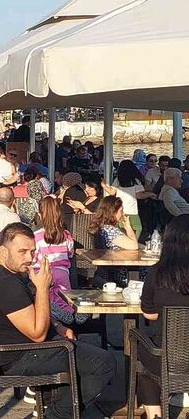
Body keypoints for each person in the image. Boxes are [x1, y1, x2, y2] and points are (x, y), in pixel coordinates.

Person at [0, 223, 116, 418]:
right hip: (17, 355)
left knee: (75, 347)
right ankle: (57, 414)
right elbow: (37, 334)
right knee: (104, 362)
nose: (29, 258)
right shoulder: (5, 284)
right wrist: (43, 287)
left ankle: (54, 405)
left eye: (32, 251)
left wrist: (57, 325)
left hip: (0, 350)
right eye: (22, 252)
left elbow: (33, 315)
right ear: (2, 250)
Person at [136, 215, 189, 419]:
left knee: (144, 358)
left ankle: (155, 415)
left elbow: (149, 312)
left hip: (167, 356)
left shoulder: (157, 272)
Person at [32, 196, 88, 326]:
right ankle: (71, 312)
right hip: (63, 272)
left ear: (40, 215)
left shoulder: (37, 236)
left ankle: (53, 312)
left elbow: (33, 258)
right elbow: (70, 253)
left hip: (43, 272)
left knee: (47, 296)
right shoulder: (66, 235)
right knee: (65, 297)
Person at [102, 160, 156, 238]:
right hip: (132, 210)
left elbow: (112, 192)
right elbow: (139, 195)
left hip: (119, 209)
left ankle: (123, 244)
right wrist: (150, 194)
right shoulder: (136, 181)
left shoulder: (118, 180)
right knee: (137, 228)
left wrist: (103, 185)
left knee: (121, 229)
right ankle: (133, 242)